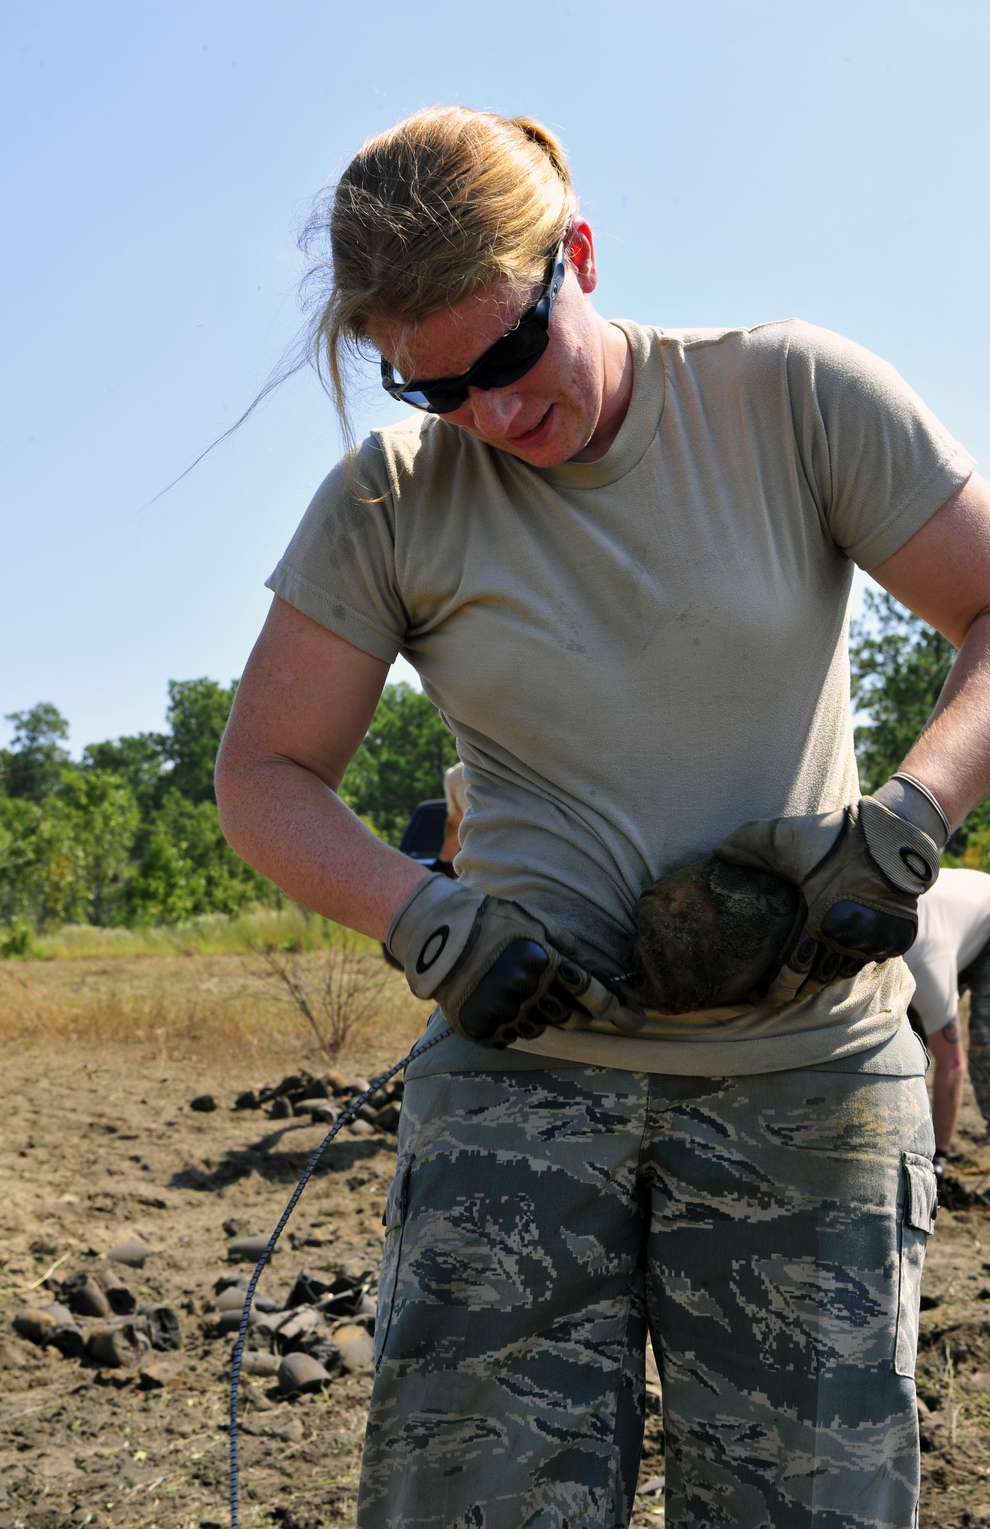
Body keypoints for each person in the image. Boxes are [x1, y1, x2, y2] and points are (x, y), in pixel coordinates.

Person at [215, 106, 990, 1528]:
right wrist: (427, 920)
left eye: (510, 356)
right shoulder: (391, 501)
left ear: (575, 254)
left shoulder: (793, 396)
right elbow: (264, 775)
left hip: (803, 1077)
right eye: (431, 387)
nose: (496, 418)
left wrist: (907, 822)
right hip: (523, 1084)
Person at [903, 866, 990, 1167]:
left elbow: (952, 1064)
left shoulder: (926, 963)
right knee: (903, 1043)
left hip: (984, 921)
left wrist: (935, 1159)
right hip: (948, 920)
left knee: (985, 1045)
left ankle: (939, 1152)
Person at [438, 759, 466, 865]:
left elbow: (455, 826)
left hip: (485, 867)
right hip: (519, 859)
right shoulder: (517, 760)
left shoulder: (455, 776)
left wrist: (442, 865)